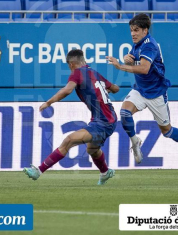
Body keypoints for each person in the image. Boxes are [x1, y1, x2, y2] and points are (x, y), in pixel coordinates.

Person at [106, 13, 178, 165]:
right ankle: (135, 142)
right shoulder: (138, 44)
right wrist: (128, 59)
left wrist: (121, 65)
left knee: (167, 131)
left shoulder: (149, 45)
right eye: (131, 30)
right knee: (124, 113)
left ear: (145, 30)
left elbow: (144, 69)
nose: (133, 33)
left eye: (136, 30)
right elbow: (136, 62)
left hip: (156, 93)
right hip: (140, 90)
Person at [23, 49, 120, 185]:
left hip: (103, 122)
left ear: (72, 64)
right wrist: (104, 89)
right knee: (92, 149)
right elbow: (116, 89)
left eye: (69, 66)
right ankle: (105, 172)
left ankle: (38, 171)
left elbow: (67, 90)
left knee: (68, 140)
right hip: (108, 119)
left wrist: (49, 102)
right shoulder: (95, 73)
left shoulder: (77, 73)